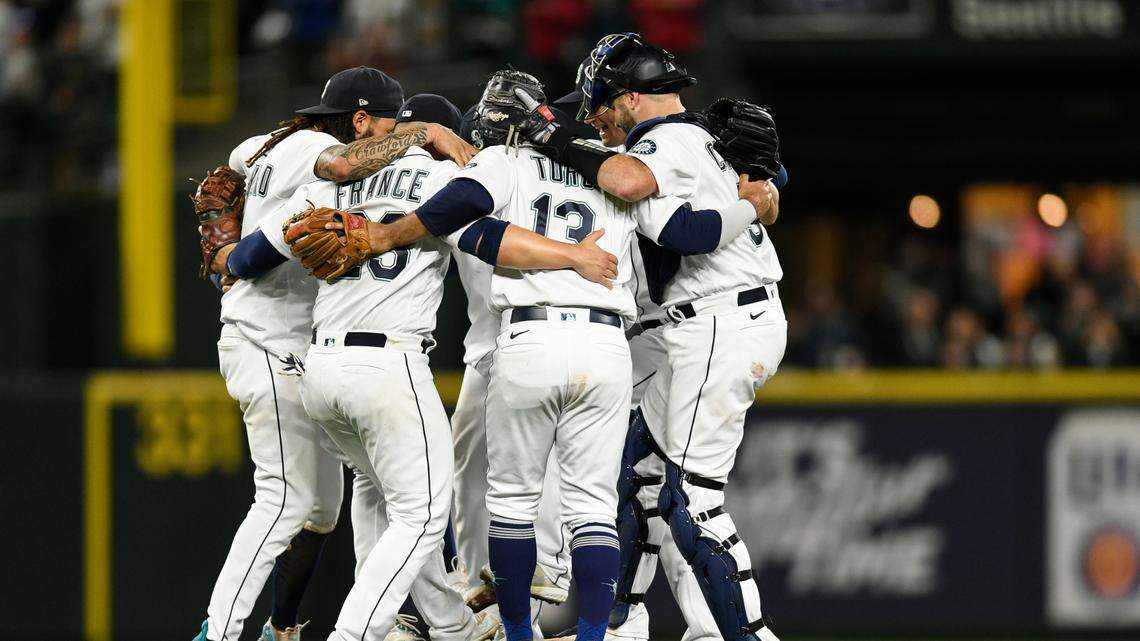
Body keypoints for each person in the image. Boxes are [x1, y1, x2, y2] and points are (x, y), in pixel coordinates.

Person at [294, 69, 777, 641]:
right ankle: (598, 629)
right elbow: (682, 221)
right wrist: (755, 196)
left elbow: (470, 227)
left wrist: (385, 233)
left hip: (522, 342)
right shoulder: (611, 167)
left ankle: (507, 627)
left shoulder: (501, 164)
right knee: (600, 505)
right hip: (608, 345)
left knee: (508, 503)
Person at [519, 33, 788, 641]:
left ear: (631, 96)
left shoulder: (662, 141)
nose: (595, 119)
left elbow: (679, 225)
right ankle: (620, 624)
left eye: (601, 105)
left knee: (693, 504)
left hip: (716, 321)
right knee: (638, 472)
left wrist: (554, 137)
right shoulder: (703, 137)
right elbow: (767, 183)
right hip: (717, 320)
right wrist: (764, 197)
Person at [193, 67, 476, 641]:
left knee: (328, 506)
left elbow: (235, 191)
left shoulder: (267, 146)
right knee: (287, 500)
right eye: (393, 124)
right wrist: (427, 134)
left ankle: (287, 628)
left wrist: (224, 254)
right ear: (360, 119)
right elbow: (344, 164)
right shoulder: (326, 155)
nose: (396, 137)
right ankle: (219, 633)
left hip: (309, 356)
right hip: (272, 341)